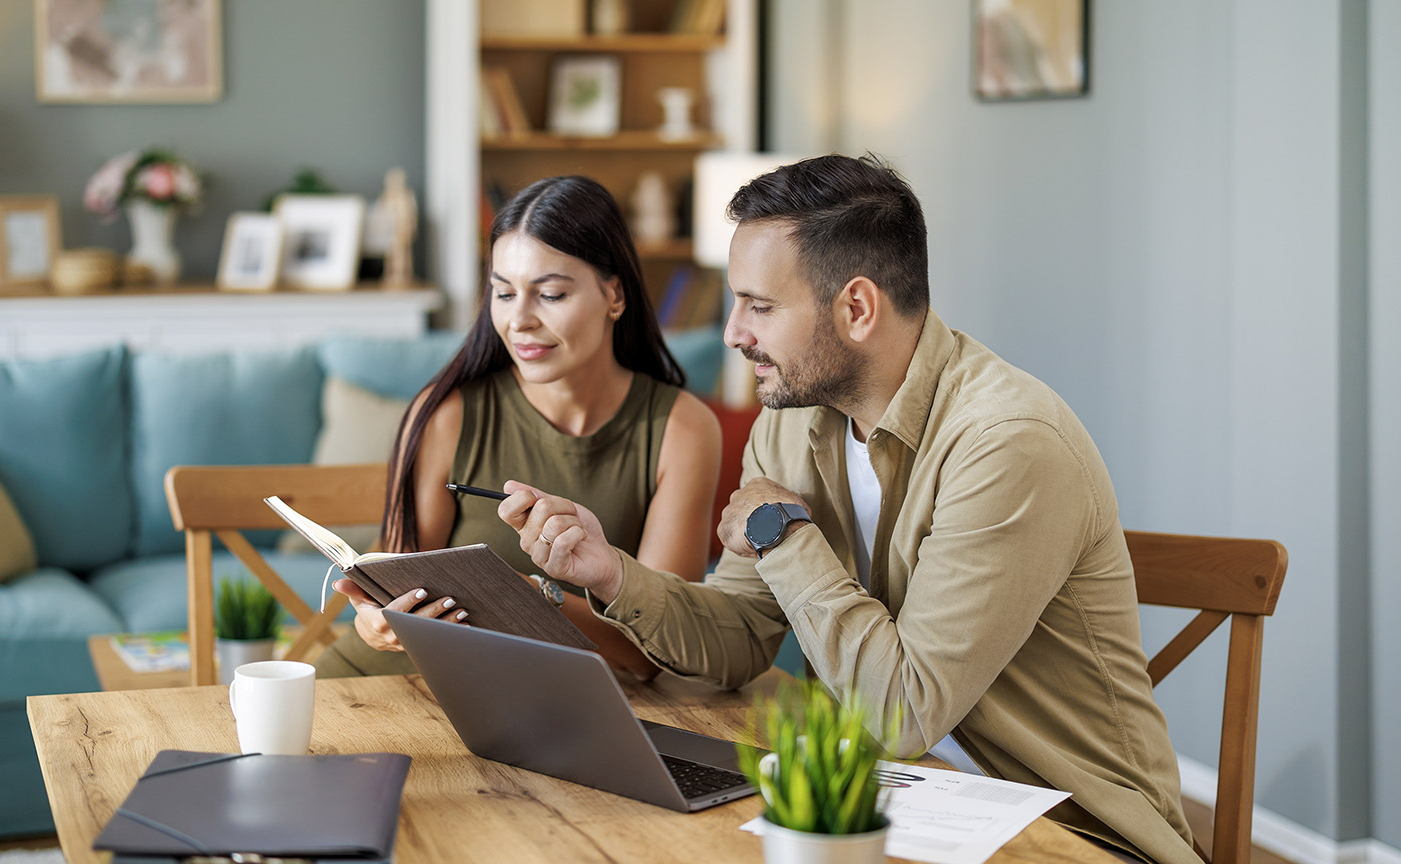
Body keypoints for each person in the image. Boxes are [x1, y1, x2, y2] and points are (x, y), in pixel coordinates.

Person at [493, 155, 1199, 864]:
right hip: (893, 802)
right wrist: (610, 573)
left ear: (856, 308)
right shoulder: (792, 420)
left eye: (759, 307)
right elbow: (737, 638)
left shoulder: (1007, 443)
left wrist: (782, 532)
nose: (734, 333)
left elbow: (901, 713)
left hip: (1067, 834)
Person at [318, 175, 721, 680]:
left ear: (614, 295)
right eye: (504, 293)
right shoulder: (445, 413)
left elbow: (654, 655)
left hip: (547, 706)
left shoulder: (681, 430)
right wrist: (374, 625)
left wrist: (531, 597)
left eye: (550, 294)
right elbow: (390, 595)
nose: (520, 320)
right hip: (396, 686)